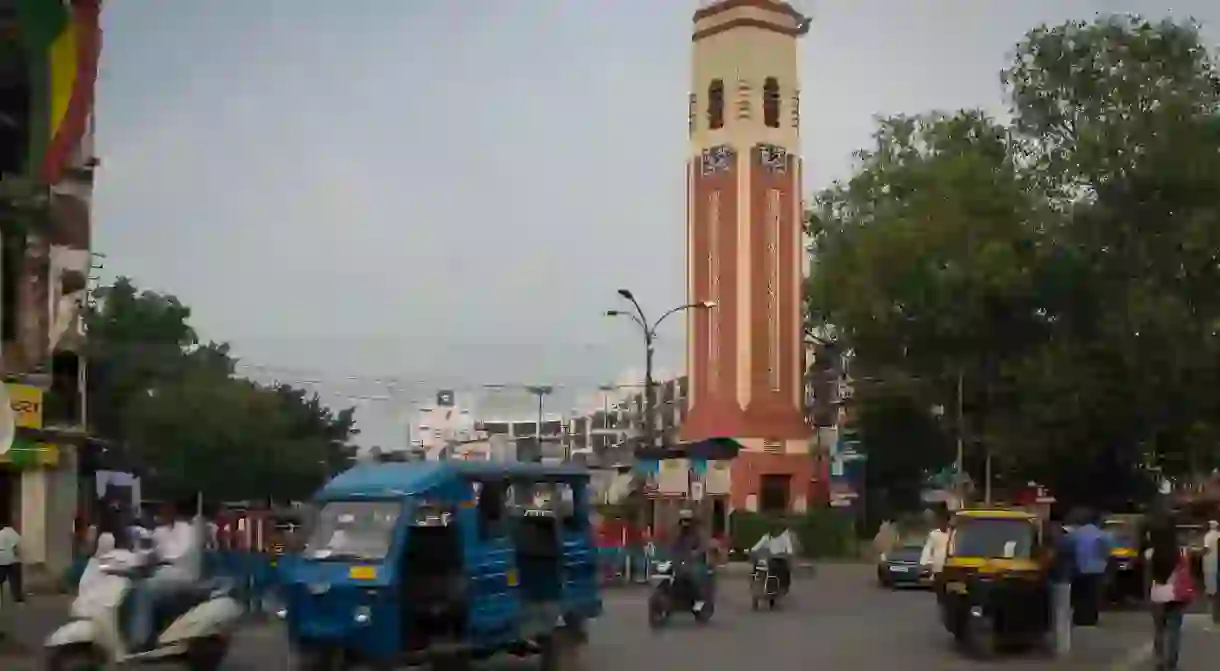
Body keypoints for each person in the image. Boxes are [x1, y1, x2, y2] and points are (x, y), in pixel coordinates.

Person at [129, 500, 202, 651]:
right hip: (162, 574)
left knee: (145, 589)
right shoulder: (159, 532)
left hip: (181, 574)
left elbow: (179, 554)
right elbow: (147, 554)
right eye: (159, 509)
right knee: (132, 586)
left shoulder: (187, 529)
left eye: (164, 508)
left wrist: (156, 555)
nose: (160, 513)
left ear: (173, 509)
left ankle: (141, 640)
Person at [1147, 514, 1191, 670]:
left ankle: (1159, 660)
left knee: (1159, 629)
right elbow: (1186, 573)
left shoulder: (1151, 552)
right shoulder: (1181, 552)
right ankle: (1171, 661)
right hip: (1177, 594)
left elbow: (1148, 576)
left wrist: (1148, 595)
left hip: (1158, 593)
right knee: (1174, 629)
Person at [1070, 508, 1109, 626]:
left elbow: (1070, 549)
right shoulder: (1102, 535)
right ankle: (1091, 618)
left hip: (1079, 569)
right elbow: (1106, 552)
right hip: (1097, 570)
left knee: (1080, 595)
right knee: (1093, 596)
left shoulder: (1076, 534)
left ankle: (1079, 618)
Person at [670, 509, 710, 610]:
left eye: (687, 520)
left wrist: (696, 552)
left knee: (694, 575)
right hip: (681, 560)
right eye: (683, 520)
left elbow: (703, 545)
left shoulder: (698, 532)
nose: (685, 523)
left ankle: (699, 600)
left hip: (696, 561)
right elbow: (671, 544)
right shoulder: (677, 531)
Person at [1049, 516, 1077, 657]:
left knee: (1060, 614)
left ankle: (1060, 647)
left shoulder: (1061, 545)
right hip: (1065, 580)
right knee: (1063, 614)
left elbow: (1053, 560)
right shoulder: (1068, 543)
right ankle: (1062, 646)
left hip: (1060, 580)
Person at [750, 521, 795, 593]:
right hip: (768, 558)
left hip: (779, 558)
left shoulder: (784, 537)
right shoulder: (766, 537)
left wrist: (788, 554)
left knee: (783, 568)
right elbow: (756, 547)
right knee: (757, 565)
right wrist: (752, 551)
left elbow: (789, 549)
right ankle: (756, 582)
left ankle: (783, 586)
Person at [920, 513, 950, 584]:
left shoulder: (952, 532)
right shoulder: (934, 534)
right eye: (942, 522)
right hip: (938, 564)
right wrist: (926, 562)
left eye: (946, 521)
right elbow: (928, 548)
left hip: (951, 564)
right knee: (939, 583)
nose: (944, 524)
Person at [0, 518, 23, 604]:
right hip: (11, 558)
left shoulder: (2, 533)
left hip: (2, 558)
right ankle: (17, 597)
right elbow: (15, 546)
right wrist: (19, 556)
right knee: (15, 578)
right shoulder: (10, 532)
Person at [1203, 520, 1218, 606]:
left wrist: (1200, 552)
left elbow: (1207, 549)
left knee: (1209, 576)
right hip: (1217, 559)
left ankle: (1210, 593)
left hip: (1209, 559)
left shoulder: (1208, 536)